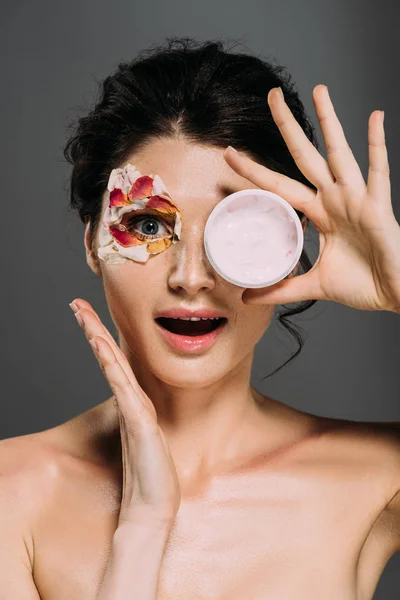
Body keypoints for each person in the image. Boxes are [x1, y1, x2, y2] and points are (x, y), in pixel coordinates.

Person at [1, 36, 400, 600]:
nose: (191, 277)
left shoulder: (376, 477)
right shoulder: (10, 495)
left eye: (239, 230)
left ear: (289, 247)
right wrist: (142, 530)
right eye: (145, 226)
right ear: (92, 241)